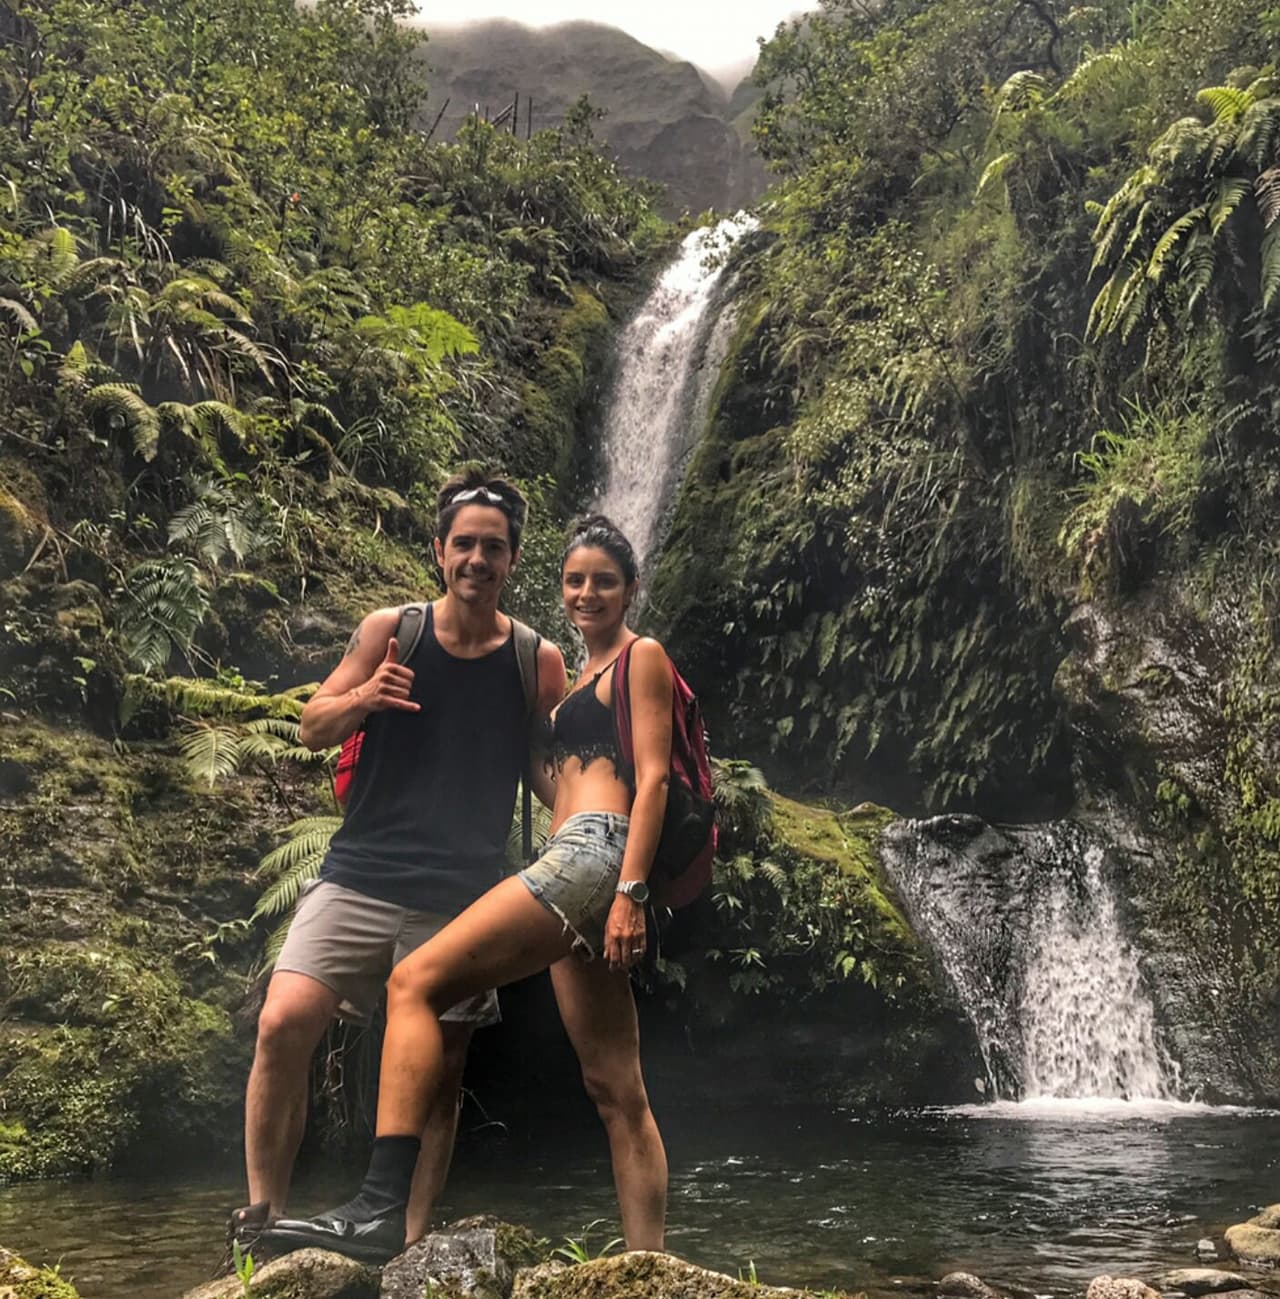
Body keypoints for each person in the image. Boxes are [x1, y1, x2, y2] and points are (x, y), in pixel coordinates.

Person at [262, 514, 672, 1263]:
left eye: (604, 581)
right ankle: (648, 1265)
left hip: (593, 858)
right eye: (575, 580)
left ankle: (378, 1206)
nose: (587, 593)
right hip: (571, 852)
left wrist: (632, 891)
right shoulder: (577, 670)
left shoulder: (640, 657)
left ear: (631, 589)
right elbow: (555, 779)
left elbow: (653, 781)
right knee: (614, 1083)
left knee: (414, 982)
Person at [227, 469, 565, 1259]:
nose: (477, 559)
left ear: (513, 559)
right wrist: (364, 697)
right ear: (439, 551)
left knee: (440, 1076)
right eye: (464, 544)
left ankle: (405, 1243)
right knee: (281, 1025)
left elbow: (543, 769)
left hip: (459, 896)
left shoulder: (535, 661)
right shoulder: (390, 630)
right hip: (358, 873)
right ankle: (262, 1220)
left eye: (494, 546)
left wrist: (594, 818)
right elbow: (312, 725)